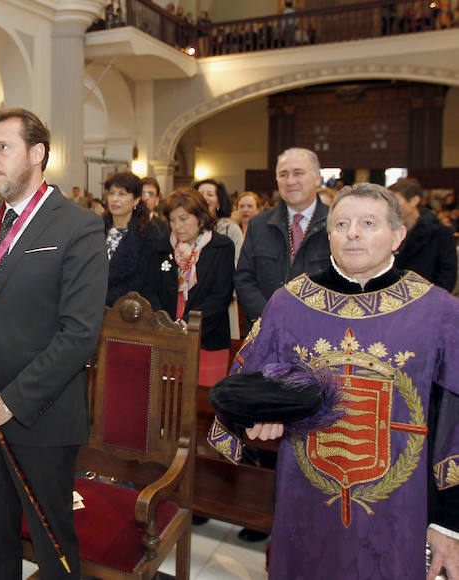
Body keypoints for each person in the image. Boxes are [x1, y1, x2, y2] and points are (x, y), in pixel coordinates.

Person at [208, 184, 459, 579]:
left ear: (398, 236)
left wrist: (449, 523)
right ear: (329, 235)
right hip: (303, 501)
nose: (352, 232)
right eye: (341, 223)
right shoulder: (290, 303)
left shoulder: (438, 310)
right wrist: (261, 412)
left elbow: (455, 421)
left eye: (368, 223)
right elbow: (245, 385)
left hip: (401, 511)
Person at [0, 107, 108, 580]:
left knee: (51, 541)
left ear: (37, 154)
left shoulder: (77, 226)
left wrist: (11, 402)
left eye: (3, 148)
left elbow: (79, 334)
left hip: (41, 414)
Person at [235, 147, 330, 325]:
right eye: (283, 174)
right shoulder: (259, 225)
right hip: (265, 329)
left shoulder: (337, 224)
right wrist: (271, 317)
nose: (290, 181)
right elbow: (244, 278)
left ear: (317, 177)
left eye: (298, 173)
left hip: (319, 331)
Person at [157, 188, 235, 386]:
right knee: (169, 395)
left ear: (200, 218)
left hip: (207, 334)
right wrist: (167, 325)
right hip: (167, 334)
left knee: (203, 401)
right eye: (172, 220)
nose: (177, 226)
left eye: (183, 219)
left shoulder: (221, 246)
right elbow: (153, 288)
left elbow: (221, 295)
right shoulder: (162, 247)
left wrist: (186, 325)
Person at [103, 172, 164, 309]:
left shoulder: (147, 234)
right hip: (95, 307)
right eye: (112, 193)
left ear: (136, 200)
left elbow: (148, 280)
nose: (115, 199)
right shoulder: (97, 229)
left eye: (122, 194)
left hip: (130, 311)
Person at [388, 177, 457, 291]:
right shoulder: (388, 231)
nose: (392, 208)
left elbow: (447, 275)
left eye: (396, 202)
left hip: (428, 299)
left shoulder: (440, 232)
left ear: (414, 201)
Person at [195, 178, 243, 263]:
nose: (204, 198)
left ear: (218, 201)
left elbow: (238, 261)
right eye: (200, 194)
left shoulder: (231, 229)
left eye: (210, 194)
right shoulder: (187, 227)